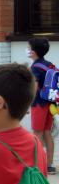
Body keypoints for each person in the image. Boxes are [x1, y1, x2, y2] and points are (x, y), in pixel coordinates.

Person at [27, 37, 56, 174]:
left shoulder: (35, 68)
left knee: (37, 133)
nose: (27, 50)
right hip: (50, 104)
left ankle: (36, 165)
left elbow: (34, 87)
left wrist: (27, 103)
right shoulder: (49, 64)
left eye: (28, 47)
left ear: (33, 52)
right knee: (47, 133)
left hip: (38, 103)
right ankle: (49, 165)